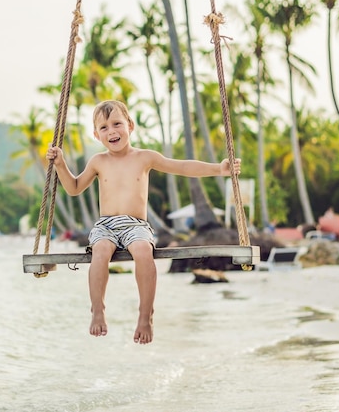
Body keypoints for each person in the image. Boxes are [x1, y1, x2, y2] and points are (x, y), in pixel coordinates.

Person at [46, 100, 241, 345]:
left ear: (130, 125)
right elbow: (74, 188)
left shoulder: (144, 157)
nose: (112, 131)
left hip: (136, 224)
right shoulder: (98, 161)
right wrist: (61, 165)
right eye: (104, 128)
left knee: (142, 250)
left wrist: (219, 169)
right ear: (96, 135)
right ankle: (97, 310)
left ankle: (145, 315)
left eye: (117, 124)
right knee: (101, 250)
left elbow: (181, 166)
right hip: (106, 224)